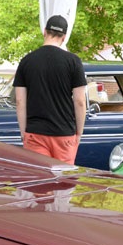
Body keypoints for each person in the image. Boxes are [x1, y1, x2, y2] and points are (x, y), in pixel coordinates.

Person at [13, 15, 87, 165]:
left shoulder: (27, 61)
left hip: (35, 133)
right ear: (64, 37)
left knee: (40, 184)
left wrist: (23, 132)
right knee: (64, 183)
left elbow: (20, 101)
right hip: (64, 134)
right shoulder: (73, 61)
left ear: (44, 32)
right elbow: (79, 101)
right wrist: (79, 132)